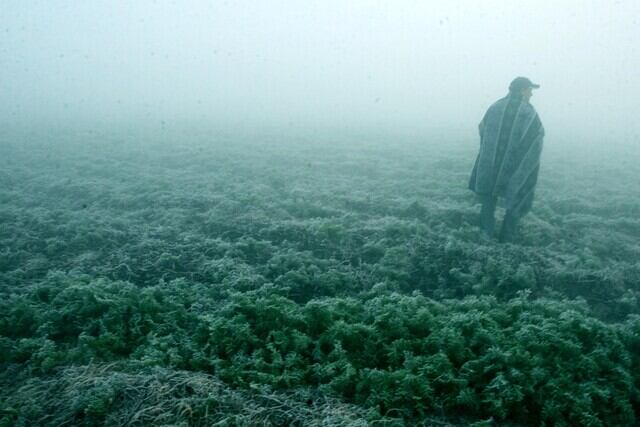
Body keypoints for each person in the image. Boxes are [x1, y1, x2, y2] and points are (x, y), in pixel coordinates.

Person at [469, 77, 545, 242]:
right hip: (514, 167)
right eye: (529, 90)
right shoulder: (528, 112)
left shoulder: (495, 106)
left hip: (489, 164)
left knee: (488, 200)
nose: (531, 94)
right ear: (522, 90)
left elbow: (482, 127)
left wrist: (490, 150)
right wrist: (523, 162)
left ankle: (485, 235)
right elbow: (537, 136)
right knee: (516, 198)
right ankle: (507, 238)